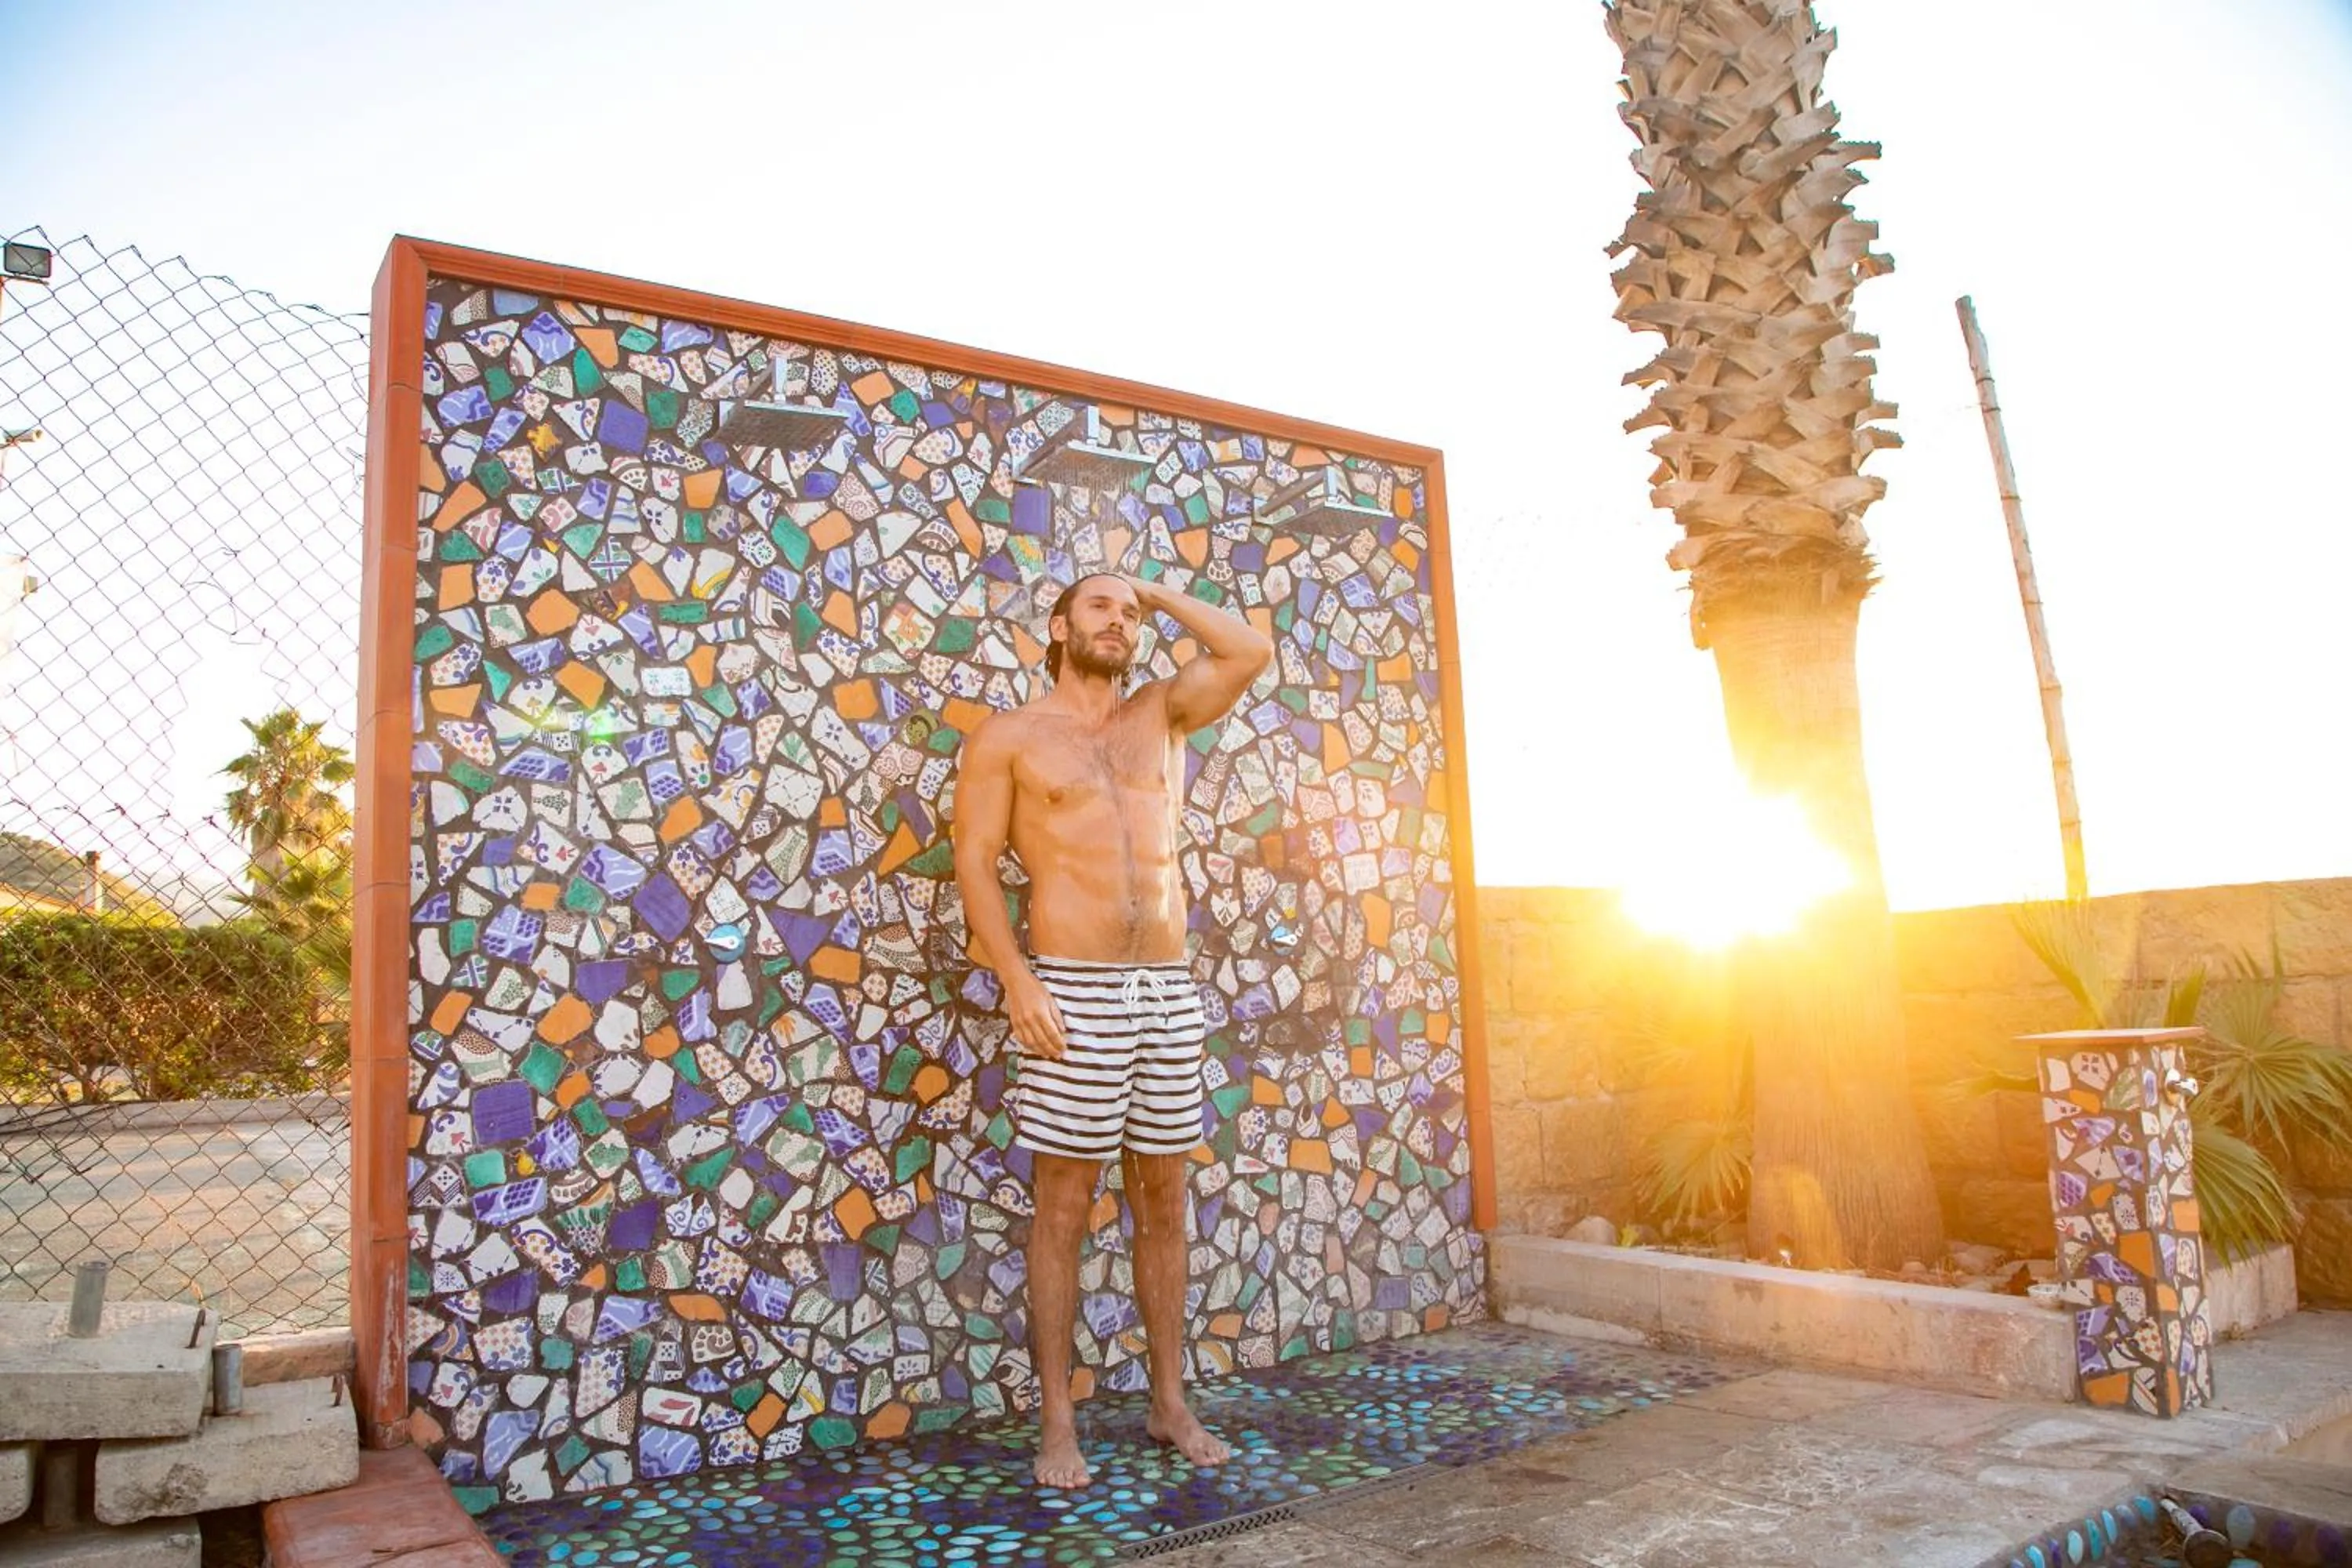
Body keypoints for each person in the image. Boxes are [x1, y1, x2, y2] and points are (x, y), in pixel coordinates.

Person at [951, 569, 1274, 1490]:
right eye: (1101, 606)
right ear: (1058, 625)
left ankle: (1168, 1399)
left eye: (1130, 613)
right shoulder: (1010, 737)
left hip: (1165, 988)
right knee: (1064, 1205)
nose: (1120, 620)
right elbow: (973, 858)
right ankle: (1058, 1420)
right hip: (1071, 987)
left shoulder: (1161, 714)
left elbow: (1249, 650)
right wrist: (1015, 975)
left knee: (1164, 1198)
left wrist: (1160, 593)